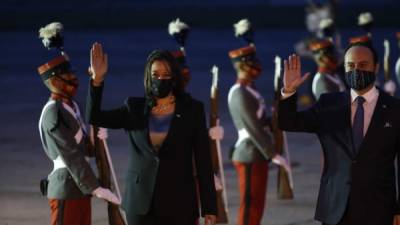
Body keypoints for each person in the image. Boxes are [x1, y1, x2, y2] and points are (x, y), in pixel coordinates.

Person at [86, 42, 217, 225]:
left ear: (174, 78)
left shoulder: (192, 110)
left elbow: (204, 162)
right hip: (140, 205)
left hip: (180, 205)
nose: (160, 79)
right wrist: (97, 81)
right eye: (155, 74)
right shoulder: (134, 108)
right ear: (148, 76)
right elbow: (94, 117)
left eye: (166, 75)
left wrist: (210, 207)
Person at [278, 41, 400, 224]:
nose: (356, 70)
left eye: (363, 65)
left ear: (375, 68)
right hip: (335, 209)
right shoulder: (329, 104)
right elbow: (289, 122)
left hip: (379, 209)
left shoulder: (394, 109)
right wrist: (289, 91)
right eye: (351, 65)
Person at [37, 54, 120, 225]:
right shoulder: (54, 112)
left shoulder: (72, 106)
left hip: (80, 188)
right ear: (55, 83)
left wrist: (95, 135)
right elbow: (70, 154)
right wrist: (96, 188)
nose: (74, 79)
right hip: (66, 188)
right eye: (68, 77)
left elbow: (83, 148)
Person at [227, 45, 290, 225]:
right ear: (241, 66)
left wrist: (273, 119)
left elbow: (259, 119)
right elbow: (253, 127)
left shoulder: (248, 89)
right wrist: (273, 154)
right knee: (250, 206)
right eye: (251, 64)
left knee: (257, 206)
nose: (256, 67)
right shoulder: (239, 93)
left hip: (256, 154)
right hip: (249, 153)